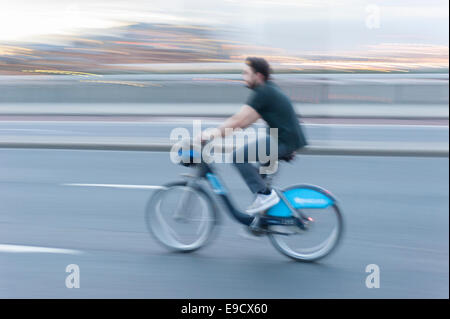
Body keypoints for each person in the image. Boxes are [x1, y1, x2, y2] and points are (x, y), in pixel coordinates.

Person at [199, 57, 308, 216]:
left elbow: (238, 121)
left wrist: (211, 133)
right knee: (258, 177)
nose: (243, 77)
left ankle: (265, 197)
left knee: (238, 157)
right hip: (286, 139)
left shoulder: (263, 92)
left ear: (258, 76)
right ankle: (261, 220)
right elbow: (245, 122)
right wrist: (221, 135)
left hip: (283, 140)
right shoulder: (268, 89)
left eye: (246, 73)